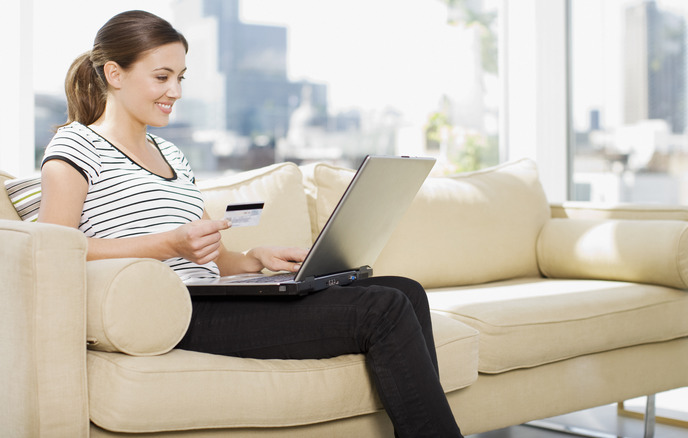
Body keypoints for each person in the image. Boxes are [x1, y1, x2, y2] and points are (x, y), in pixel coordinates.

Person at [37, 10, 462, 438]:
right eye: (162, 77)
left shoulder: (171, 154)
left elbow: (215, 260)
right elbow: (53, 252)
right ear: (115, 74)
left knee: (406, 290)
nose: (175, 91)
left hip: (211, 294)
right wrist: (167, 245)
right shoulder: (76, 145)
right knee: (383, 308)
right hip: (167, 311)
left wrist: (255, 259)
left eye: (180, 78)